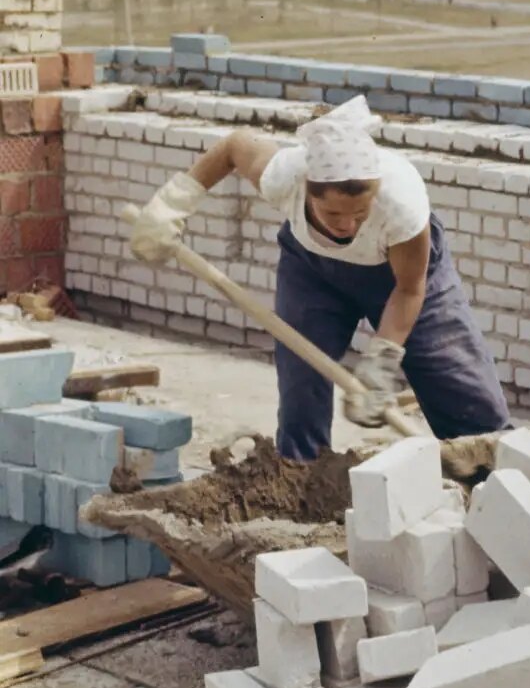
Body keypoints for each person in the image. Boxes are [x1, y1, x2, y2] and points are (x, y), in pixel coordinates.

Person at [128, 95, 510, 462]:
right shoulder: (284, 177)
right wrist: (171, 205)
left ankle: (493, 474)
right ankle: (302, 480)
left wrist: (382, 359)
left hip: (399, 280)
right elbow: (235, 145)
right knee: (302, 386)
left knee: (463, 393)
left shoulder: (402, 204)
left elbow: (409, 289)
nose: (347, 225)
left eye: (360, 213)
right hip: (313, 273)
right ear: (308, 191)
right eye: (333, 214)